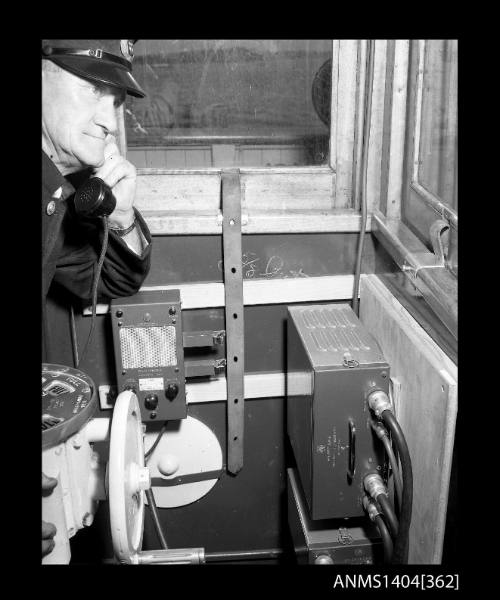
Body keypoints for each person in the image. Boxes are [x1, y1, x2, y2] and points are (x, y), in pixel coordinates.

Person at [42, 40, 152, 558]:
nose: (109, 120)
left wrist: (121, 219)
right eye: (92, 91)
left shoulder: (55, 192)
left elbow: (99, 282)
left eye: (117, 101)